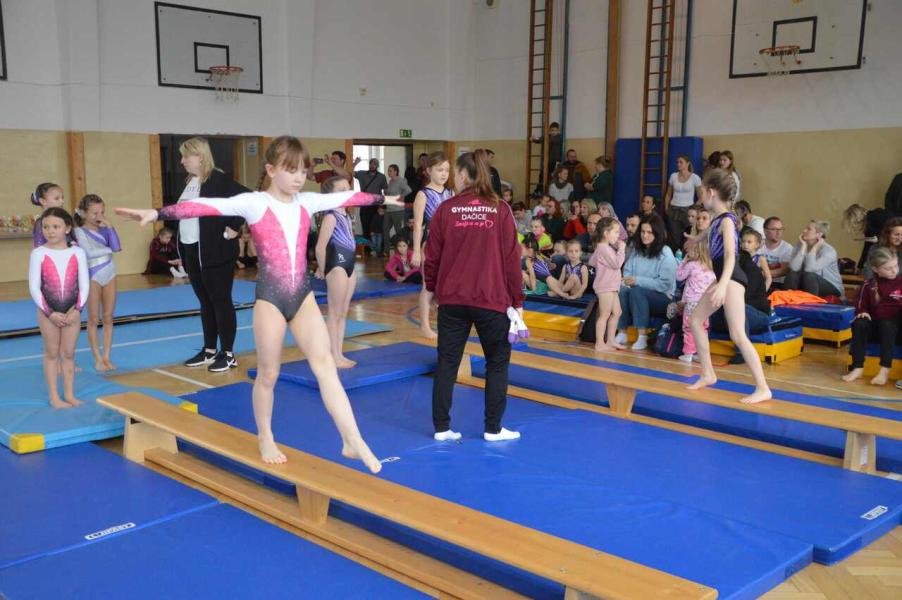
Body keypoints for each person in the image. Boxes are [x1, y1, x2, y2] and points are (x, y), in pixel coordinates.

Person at [116, 136, 402, 471]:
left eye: (303, 171)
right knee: (268, 373)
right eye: (291, 170)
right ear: (271, 169)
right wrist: (156, 213)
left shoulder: (307, 201)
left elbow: (347, 196)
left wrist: (383, 198)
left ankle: (352, 439)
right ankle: (265, 435)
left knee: (325, 366)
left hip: (302, 297)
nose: (299, 177)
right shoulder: (255, 203)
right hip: (271, 299)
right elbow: (206, 206)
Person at [424, 149, 523, 442]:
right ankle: (493, 428)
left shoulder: (446, 209)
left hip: (453, 298)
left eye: (455, 173)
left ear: (465, 175)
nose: (453, 178)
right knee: (497, 362)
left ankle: (442, 428)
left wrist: (433, 288)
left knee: (447, 362)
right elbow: (512, 260)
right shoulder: (500, 209)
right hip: (491, 299)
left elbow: (432, 256)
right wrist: (517, 301)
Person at [685, 168, 771, 404]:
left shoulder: (727, 221)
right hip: (724, 278)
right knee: (695, 320)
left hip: (731, 279)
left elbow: (731, 255)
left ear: (711, 192)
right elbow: (709, 234)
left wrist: (722, 285)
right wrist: (696, 239)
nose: (700, 198)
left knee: (738, 335)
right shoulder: (717, 220)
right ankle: (708, 373)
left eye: (702, 192)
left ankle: (763, 387)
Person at [172, 137, 249, 373]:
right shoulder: (191, 182)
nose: (182, 161)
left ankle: (228, 354)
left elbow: (248, 198)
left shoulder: (217, 179)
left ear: (200, 157)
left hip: (215, 252)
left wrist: (234, 227)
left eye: (186, 156)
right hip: (193, 251)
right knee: (205, 302)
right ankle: (209, 350)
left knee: (220, 300)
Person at [29, 207, 89, 409]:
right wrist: (50, 313)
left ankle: (70, 394)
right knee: (52, 353)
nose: (50, 231)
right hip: (48, 312)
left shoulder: (78, 252)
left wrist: (77, 309)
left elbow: (84, 284)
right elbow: (34, 287)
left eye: (55, 226)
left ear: (67, 228)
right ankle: (54, 396)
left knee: (69, 353)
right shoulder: (38, 253)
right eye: (46, 227)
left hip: (73, 310)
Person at [314, 176, 361, 370]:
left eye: (347, 188)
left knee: (343, 313)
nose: (346, 192)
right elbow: (320, 247)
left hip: (349, 265)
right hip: (337, 266)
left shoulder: (347, 215)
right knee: (334, 313)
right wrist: (324, 269)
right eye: (341, 190)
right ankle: (332, 356)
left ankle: (339, 353)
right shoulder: (331, 216)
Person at [614, 213, 677, 350]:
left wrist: (637, 281)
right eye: (642, 231)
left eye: (649, 232)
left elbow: (664, 285)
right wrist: (625, 283)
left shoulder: (665, 253)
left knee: (637, 291)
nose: (645, 235)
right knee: (622, 290)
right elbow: (627, 273)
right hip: (637, 293)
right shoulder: (637, 251)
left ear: (657, 233)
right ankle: (622, 332)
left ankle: (642, 337)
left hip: (664, 298)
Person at [73, 194, 121, 372]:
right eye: (95, 213)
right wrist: (108, 249)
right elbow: (88, 253)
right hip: (92, 275)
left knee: (108, 317)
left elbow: (117, 247)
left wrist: (110, 227)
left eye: (102, 212)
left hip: (110, 273)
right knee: (93, 318)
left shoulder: (105, 228)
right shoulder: (79, 231)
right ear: (84, 214)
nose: (99, 216)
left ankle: (107, 356)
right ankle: (97, 358)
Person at [842, 248, 901, 386]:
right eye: (888, 268)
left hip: (895, 331)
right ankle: (858, 367)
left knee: (887, 324)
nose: (894, 271)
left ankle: (885, 369)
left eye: (896, 266)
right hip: (875, 329)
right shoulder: (869, 285)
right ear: (876, 269)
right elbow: (860, 305)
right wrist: (862, 312)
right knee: (860, 322)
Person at [411, 151, 454, 339]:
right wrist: (416, 251)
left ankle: (444, 321)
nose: (444, 174)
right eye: (439, 170)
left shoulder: (450, 193)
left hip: (449, 246)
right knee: (428, 286)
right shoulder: (423, 194)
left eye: (447, 170)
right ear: (429, 170)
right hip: (430, 245)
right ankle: (425, 326)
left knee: (445, 286)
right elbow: (418, 225)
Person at [676, 236, 716, 363]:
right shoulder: (711, 267)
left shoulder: (691, 265)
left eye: (689, 250)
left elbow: (679, 276)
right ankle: (701, 354)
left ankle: (688, 353)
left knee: (689, 328)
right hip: (705, 304)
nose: (687, 252)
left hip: (692, 302)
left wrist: (684, 261)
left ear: (696, 251)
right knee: (703, 329)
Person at [784, 220, 844, 299]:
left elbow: (810, 269)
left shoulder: (829, 251)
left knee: (809, 276)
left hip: (832, 287)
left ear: (819, 234)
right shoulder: (800, 245)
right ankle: (789, 302)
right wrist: (803, 247)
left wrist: (814, 248)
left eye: (808, 229)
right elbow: (794, 268)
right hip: (808, 282)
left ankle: (811, 304)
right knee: (792, 275)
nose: (804, 231)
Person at [591, 217, 626, 351]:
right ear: (606, 233)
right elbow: (617, 264)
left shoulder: (605, 248)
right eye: (616, 232)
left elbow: (592, 261)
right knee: (604, 314)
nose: (618, 235)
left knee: (617, 312)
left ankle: (610, 340)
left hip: (611, 286)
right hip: (605, 287)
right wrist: (621, 250)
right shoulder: (603, 248)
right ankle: (599, 343)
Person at [664, 155, 702, 249]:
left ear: (687, 163)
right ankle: (675, 255)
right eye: (677, 162)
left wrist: (693, 209)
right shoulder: (673, 176)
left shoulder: (695, 178)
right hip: (674, 210)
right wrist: (666, 208)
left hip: (688, 210)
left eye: (681, 162)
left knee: (688, 235)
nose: (678, 164)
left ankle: (687, 254)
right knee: (674, 237)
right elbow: (668, 194)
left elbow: (701, 197)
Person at [842, 203, 889, 273]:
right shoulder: (868, 223)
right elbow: (867, 246)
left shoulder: (876, 216)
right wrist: (860, 267)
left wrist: (879, 239)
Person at [355, 158, 388, 242]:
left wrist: (385, 204)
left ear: (377, 166)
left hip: (376, 205)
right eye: (371, 164)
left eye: (374, 164)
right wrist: (355, 163)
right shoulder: (362, 174)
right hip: (364, 204)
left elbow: (386, 190)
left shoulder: (381, 177)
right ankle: (367, 246)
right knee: (365, 225)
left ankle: (377, 246)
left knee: (376, 227)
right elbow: (349, 172)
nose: (372, 165)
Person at [31, 182, 73, 247]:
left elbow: (70, 240)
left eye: (62, 198)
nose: (62, 201)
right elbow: (38, 246)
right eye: (57, 198)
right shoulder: (40, 223)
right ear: (43, 201)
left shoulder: (64, 219)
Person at [384, 164, 412, 249]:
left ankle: (400, 250)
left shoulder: (401, 181)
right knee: (385, 229)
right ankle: (386, 250)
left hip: (397, 210)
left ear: (395, 172)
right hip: (389, 209)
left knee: (398, 230)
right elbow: (390, 193)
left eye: (390, 171)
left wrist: (400, 197)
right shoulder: (390, 181)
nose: (388, 172)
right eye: (388, 171)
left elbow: (408, 190)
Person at [760, 217, 793, 288]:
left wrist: (759, 273)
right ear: (765, 231)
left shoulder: (788, 248)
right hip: (757, 281)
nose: (778, 233)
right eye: (774, 229)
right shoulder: (757, 244)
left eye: (780, 229)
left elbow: (784, 270)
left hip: (777, 285)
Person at [740, 227, 772, 291]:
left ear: (757, 244)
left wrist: (763, 292)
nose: (745, 244)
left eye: (749, 242)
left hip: (754, 288)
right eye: (743, 241)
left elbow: (768, 278)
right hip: (741, 288)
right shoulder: (739, 257)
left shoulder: (760, 259)